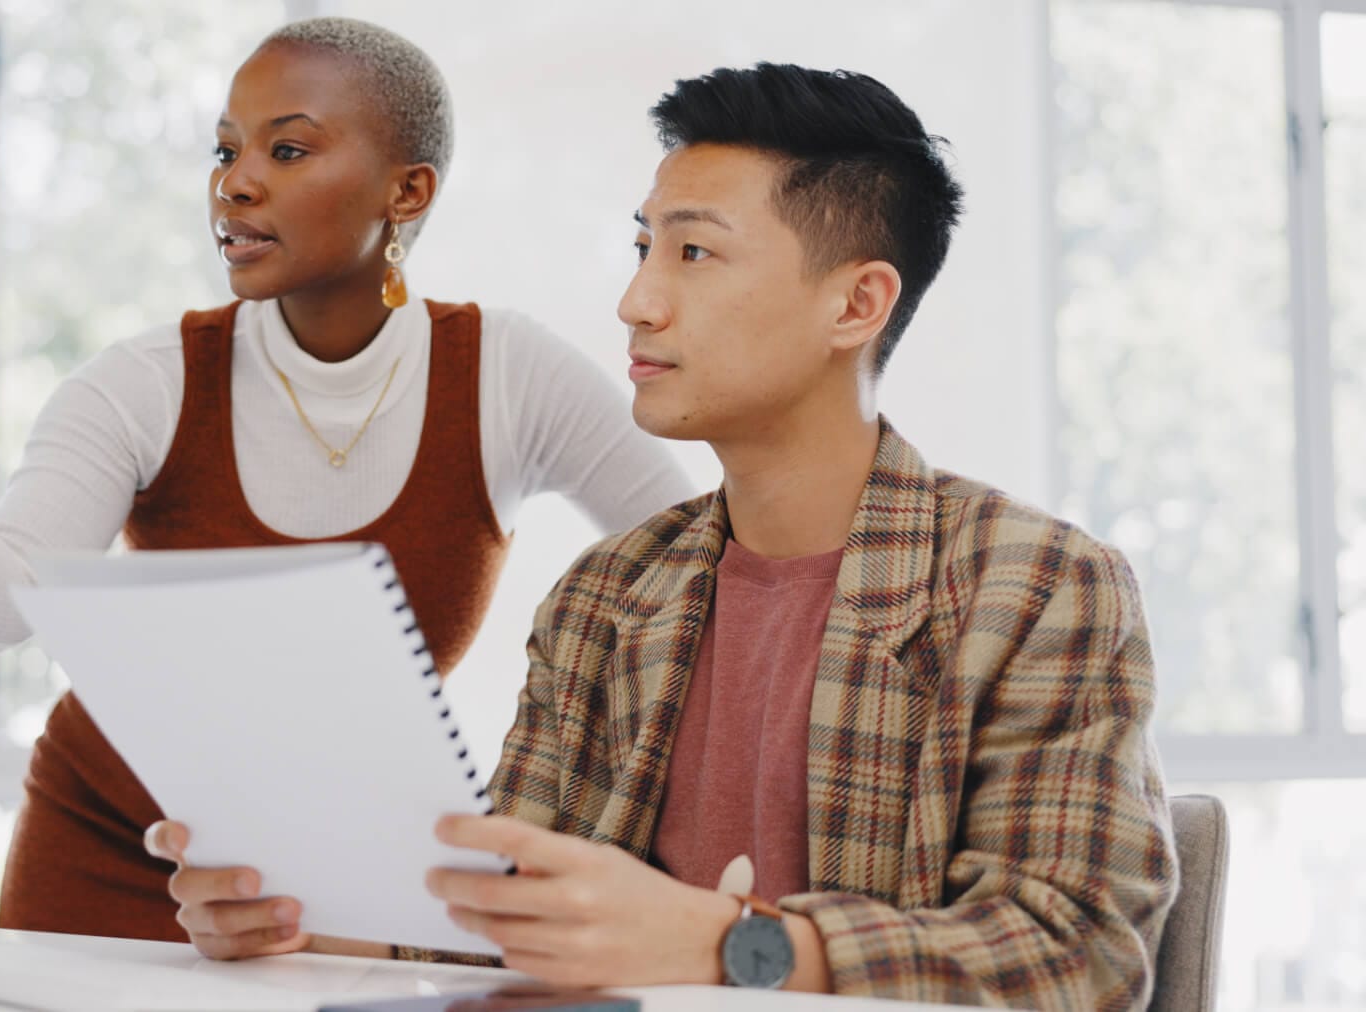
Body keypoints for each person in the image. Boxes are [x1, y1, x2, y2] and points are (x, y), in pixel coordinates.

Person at [148, 63, 1178, 1007]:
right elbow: (510, 919)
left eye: (694, 251)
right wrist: (302, 920)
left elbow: (1073, 953)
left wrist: (736, 945)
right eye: (645, 247)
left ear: (857, 303)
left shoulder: (1038, 585)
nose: (636, 301)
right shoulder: (611, 592)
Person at [0, 17, 695, 941]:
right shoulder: (146, 382)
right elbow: (4, 601)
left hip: (346, 877)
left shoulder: (510, 375)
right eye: (226, 149)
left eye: (288, 149)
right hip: (108, 840)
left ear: (407, 189)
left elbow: (695, 561)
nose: (234, 182)